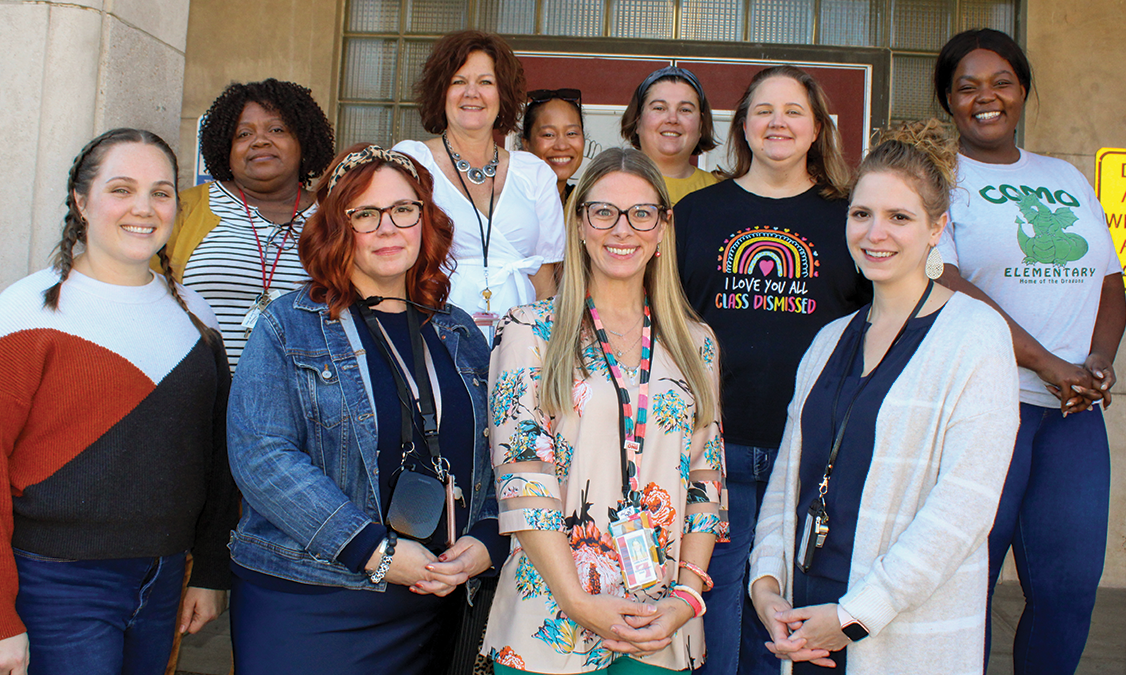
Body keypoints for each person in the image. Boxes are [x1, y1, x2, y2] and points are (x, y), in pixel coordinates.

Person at [0, 128, 236, 675]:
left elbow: (219, 457)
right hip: (56, 583)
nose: (143, 208)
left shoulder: (197, 317)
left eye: (162, 192)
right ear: (81, 200)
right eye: (121, 189)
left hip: (167, 576)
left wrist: (210, 571)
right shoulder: (21, 315)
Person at [748, 121, 1019, 674]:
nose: (876, 233)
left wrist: (855, 615)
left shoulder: (976, 336)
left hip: (897, 626)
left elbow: (964, 508)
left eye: (900, 217)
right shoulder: (829, 339)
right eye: (862, 214)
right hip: (804, 618)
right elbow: (788, 479)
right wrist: (767, 584)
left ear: (937, 227)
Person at [226, 144, 505, 675]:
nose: (388, 228)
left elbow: (503, 446)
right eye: (365, 214)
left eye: (404, 209)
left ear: (425, 219)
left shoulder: (459, 331)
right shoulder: (289, 324)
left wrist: (486, 540)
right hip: (311, 600)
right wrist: (373, 551)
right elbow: (262, 456)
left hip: (435, 603)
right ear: (337, 226)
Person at [482, 147, 725, 674]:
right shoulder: (528, 332)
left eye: (642, 213)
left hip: (659, 626)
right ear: (580, 224)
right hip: (550, 622)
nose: (623, 229)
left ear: (662, 228)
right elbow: (523, 484)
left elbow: (706, 479)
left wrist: (686, 599)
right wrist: (577, 603)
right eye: (603, 212)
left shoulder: (696, 343)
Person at [932, 28, 1126, 674]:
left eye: (1001, 83)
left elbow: (1108, 279)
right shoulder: (936, 179)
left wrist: (1098, 362)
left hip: (1072, 419)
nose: (985, 98)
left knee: (1068, 592)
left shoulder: (1063, 176)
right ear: (949, 102)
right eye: (967, 87)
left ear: (1022, 92)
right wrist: (1052, 365)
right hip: (984, 411)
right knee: (965, 589)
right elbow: (948, 285)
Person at [673, 65, 868, 675]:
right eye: (763, 110)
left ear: (817, 129)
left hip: (809, 452)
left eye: (793, 111)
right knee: (709, 601)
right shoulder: (697, 214)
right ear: (743, 127)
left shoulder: (852, 219)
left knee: (784, 610)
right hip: (713, 448)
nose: (777, 122)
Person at [395, 30, 565, 340]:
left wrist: (548, 354)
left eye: (486, 82)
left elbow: (545, 283)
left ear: (503, 95)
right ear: (441, 92)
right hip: (431, 337)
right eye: (459, 81)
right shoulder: (411, 162)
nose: (472, 93)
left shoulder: (535, 173)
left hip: (520, 346)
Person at [163, 78, 336, 368]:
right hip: (196, 399)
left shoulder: (334, 218)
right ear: (226, 148)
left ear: (304, 140)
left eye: (277, 129)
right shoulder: (183, 209)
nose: (260, 140)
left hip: (300, 404)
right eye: (243, 134)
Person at [620, 66, 718, 205]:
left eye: (685, 110)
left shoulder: (721, 192)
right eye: (659, 108)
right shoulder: (606, 185)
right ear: (638, 120)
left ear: (701, 125)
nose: (672, 119)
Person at [521, 87, 586, 204]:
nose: (562, 146)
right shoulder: (510, 199)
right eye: (548, 135)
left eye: (571, 133)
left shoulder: (584, 205)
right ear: (526, 144)